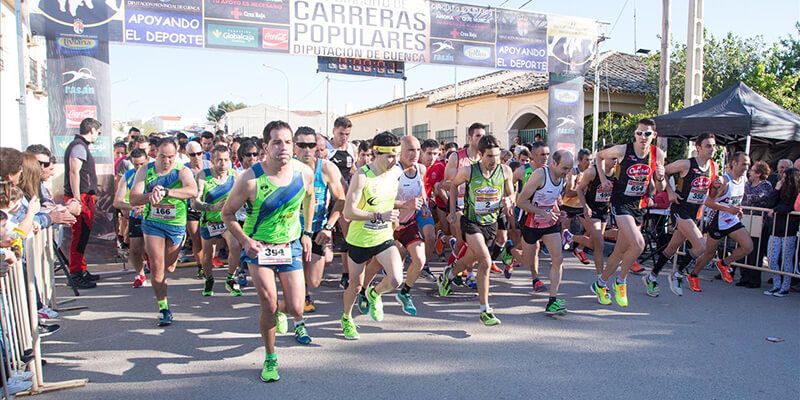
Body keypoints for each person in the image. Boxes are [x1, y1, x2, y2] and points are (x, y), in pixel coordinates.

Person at [222, 121, 316, 381]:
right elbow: (227, 214)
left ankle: (279, 315)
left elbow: (310, 198)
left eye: (287, 142)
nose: (283, 147)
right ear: (266, 146)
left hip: (290, 246)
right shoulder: (250, 179)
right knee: (269, 303)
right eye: (277, 142)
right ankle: (271, 357)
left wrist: (307, 232)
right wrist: (245, 241)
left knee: (298, 308)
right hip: (259, 248)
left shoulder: (304, 172)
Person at [438, 135, 514, 326]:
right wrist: (454, 210)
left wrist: (509, 200)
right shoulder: (468, 171)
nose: (493, 160)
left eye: (496, 156)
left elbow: (511, 192)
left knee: (470, 259)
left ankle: (447, 276)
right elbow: (453, 186)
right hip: (471, 222)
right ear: (480, 155)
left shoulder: (505, 171)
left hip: (491, 223)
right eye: (489, 156)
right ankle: (485, 309)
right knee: (486, 262)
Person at [591, 118, 666, 307]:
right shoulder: (623, 150)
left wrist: (661, 177)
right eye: (639, 133)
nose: (643, 137)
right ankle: (621, 281)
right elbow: (599, 156)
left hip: (638, 205)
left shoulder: (658, 155)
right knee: (639, 244)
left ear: (654, 136)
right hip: (621, 203)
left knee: (619, 252)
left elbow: (660, 187)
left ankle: (600, 284)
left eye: (647, 134)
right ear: (635, 134)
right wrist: (603, 179)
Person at [339, 131, 403, 340]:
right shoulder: (362, 176)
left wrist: (401, 209)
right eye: (389, 156)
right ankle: (347, 318)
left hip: (383, 236)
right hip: (359, 240)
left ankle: (374, 293)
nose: (393, 161)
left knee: (395, 279)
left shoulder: (396, 173)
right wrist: (379, 215)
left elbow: (387, 200)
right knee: (355, 286)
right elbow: (348, 212)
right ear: (376, 153)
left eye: (396, 155)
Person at [130, 136, 199, 327]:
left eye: (170, 156)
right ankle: (163, 308)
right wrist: (150, 195)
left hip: (176, 225)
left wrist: (167, 192)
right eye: (162, 156)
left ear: (176, 155)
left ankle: (174, 255)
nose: (166, 161)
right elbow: (133, 199)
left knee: (170, 267)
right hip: (153, 223)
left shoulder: (181, 170)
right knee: (157, 266)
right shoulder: (146, 170)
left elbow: (193, 191)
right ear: (155, 154)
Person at [644, 132, 718, 297]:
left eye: (714, 146)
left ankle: (652, 276)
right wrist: (670, 191)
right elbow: (663, 171)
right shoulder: (686, 164)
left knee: (671, 248)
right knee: (701, 246)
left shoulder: (714, 166)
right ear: (698, 148)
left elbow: (711, 193)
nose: (712, 149)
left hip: (694, 213)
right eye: (708, 146)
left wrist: (718, 186)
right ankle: (678, 273)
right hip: (680, 209)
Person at [292, 127, 345, 313]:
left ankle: (303, 290)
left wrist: (329, 227)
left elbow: (341, 200)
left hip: (317, 230)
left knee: (314, 280)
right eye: (302, 145)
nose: (307, 150)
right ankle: (299, 296)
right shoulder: (286, 168)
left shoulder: (326, 168)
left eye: (311, 145)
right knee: (294, 271)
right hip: (290, 230)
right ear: (294, 147)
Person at [517, 150, 574, 315]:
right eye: (564, 168)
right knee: (527, 261)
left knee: (558, 258)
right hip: (530, 223)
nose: (567, 172)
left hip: (549, 224)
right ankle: (510, 251)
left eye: (569, 168)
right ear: (554, 163)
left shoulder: (562, 178)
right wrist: (542, 213)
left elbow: (554, 199)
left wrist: (559, 211)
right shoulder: (539, 175)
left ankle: (552, 301)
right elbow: (520, 202)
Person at [689, 152, 753, 292]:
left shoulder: (743, 180)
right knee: (709, 253)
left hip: (732, 221)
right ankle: (693, 275)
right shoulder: (723, 181)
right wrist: (728, 209)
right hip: (717, 221)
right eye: (744, 164)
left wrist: (738, 210)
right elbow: (708, 201)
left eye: (748, 164)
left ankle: (724, 263)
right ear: (734, 163)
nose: (746, 167)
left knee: (748, 247)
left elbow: (734, 201)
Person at [194, 144, 242, 297]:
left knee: (235, 246)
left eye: (226, 160)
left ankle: (230, 278)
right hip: (209, 222)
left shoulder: (235, 175)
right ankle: (209, 279)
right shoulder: (203, 175)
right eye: (219, 160)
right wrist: (212, 207)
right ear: (212, 162)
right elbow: (194, 203)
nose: (223, 164)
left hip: (228, 221)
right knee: (208, 255)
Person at [63, 118, 102, 289]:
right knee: (79, 236)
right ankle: (75, 273)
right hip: (80, 197)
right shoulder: (79, 146)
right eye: (98, 132)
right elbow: (74, 172)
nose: (98, 135)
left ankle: (81, 269)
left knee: (83, 235)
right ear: (92, 130)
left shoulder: (80, 145)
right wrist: (77, 198)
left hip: (85, 196)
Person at [573, 146, 618, 275]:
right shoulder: (592, 172)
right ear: (603, 157)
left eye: (616, 158)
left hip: (604, 210)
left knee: (595, 244)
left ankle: (571, 237)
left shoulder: (617, 172)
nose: (615, 161)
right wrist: (585, 206)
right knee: (600, 244)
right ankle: (600, 277)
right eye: (612, 158)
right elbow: (579, 189)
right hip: (590, 210)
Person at [326, 117, 357, 289]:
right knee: (325, 245)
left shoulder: (351, 148)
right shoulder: (326, 149)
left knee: (348, 235)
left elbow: (353, 169)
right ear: (333, 131)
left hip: (342, 197)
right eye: (340, 134)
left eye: (347, 134)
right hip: (324, 196)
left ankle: (346, 274)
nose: (343, 137)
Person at [112, 148, 149, 288]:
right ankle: (140, 274)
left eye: (141, 164)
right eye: (135, 165)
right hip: (136, 216)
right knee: (134, 249)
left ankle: (153, 265)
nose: (138, 167)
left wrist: (146, 206)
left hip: (153, 215)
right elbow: (117, 202)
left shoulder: (154, 174)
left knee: (151, 248)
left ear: (147, 160)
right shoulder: (128, 175)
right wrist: (133, 207)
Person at [763, 168, 799, 297]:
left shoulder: (796, 192)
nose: (782, 180)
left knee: (786, 260)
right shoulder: (780, 189)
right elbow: (769, 203)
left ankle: (785, 286)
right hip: (775, 229)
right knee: (772, 259)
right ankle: (777, 285)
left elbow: (790, 207)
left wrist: (776, 210)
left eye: (784, 178)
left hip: (789, 230)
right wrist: (776, 189)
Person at [739, 160, 773, 288]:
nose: (749, 172)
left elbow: (760, 197)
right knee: (743, 246)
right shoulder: (747, 184)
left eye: (752, 170)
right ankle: (744, 276)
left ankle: (754, 279)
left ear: (758, 173)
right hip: (746, 218)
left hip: (759, 222)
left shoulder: (766, 185)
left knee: (756, 250)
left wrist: (747, 198)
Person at [185, 141, 209, 278]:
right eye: (192, 154)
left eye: (199, 153)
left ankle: (208, 264)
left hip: (208, 208)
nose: (196, 157)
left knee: (209, 240)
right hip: (192, 208)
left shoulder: (209, 165)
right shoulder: (184, 169)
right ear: (187, 155)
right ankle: (200, 267)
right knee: (197, 240)